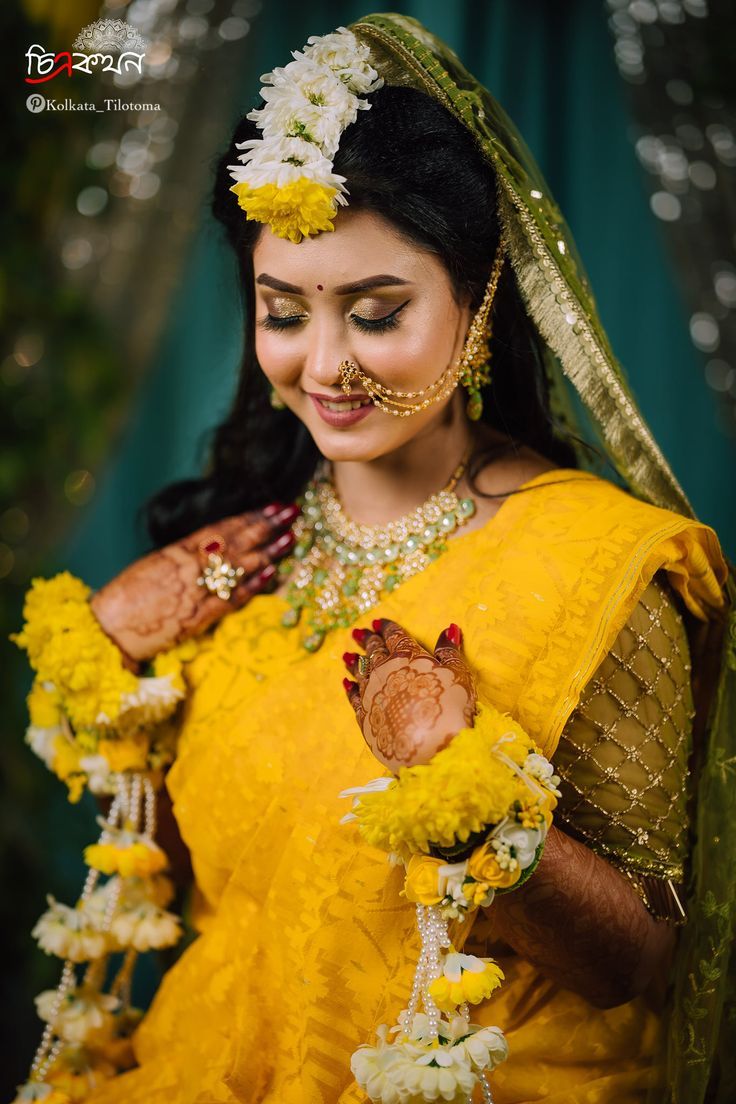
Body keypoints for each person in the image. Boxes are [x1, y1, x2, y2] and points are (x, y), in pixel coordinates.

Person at [13, 14, 734, 1104]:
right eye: (283, 313)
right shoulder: (231, 560)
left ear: (479, 301)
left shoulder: (600, 561)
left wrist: (464, 785)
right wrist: (114, 659)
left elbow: (636, 962)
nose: (325, 365)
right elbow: (180, 886)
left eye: (378, 312)